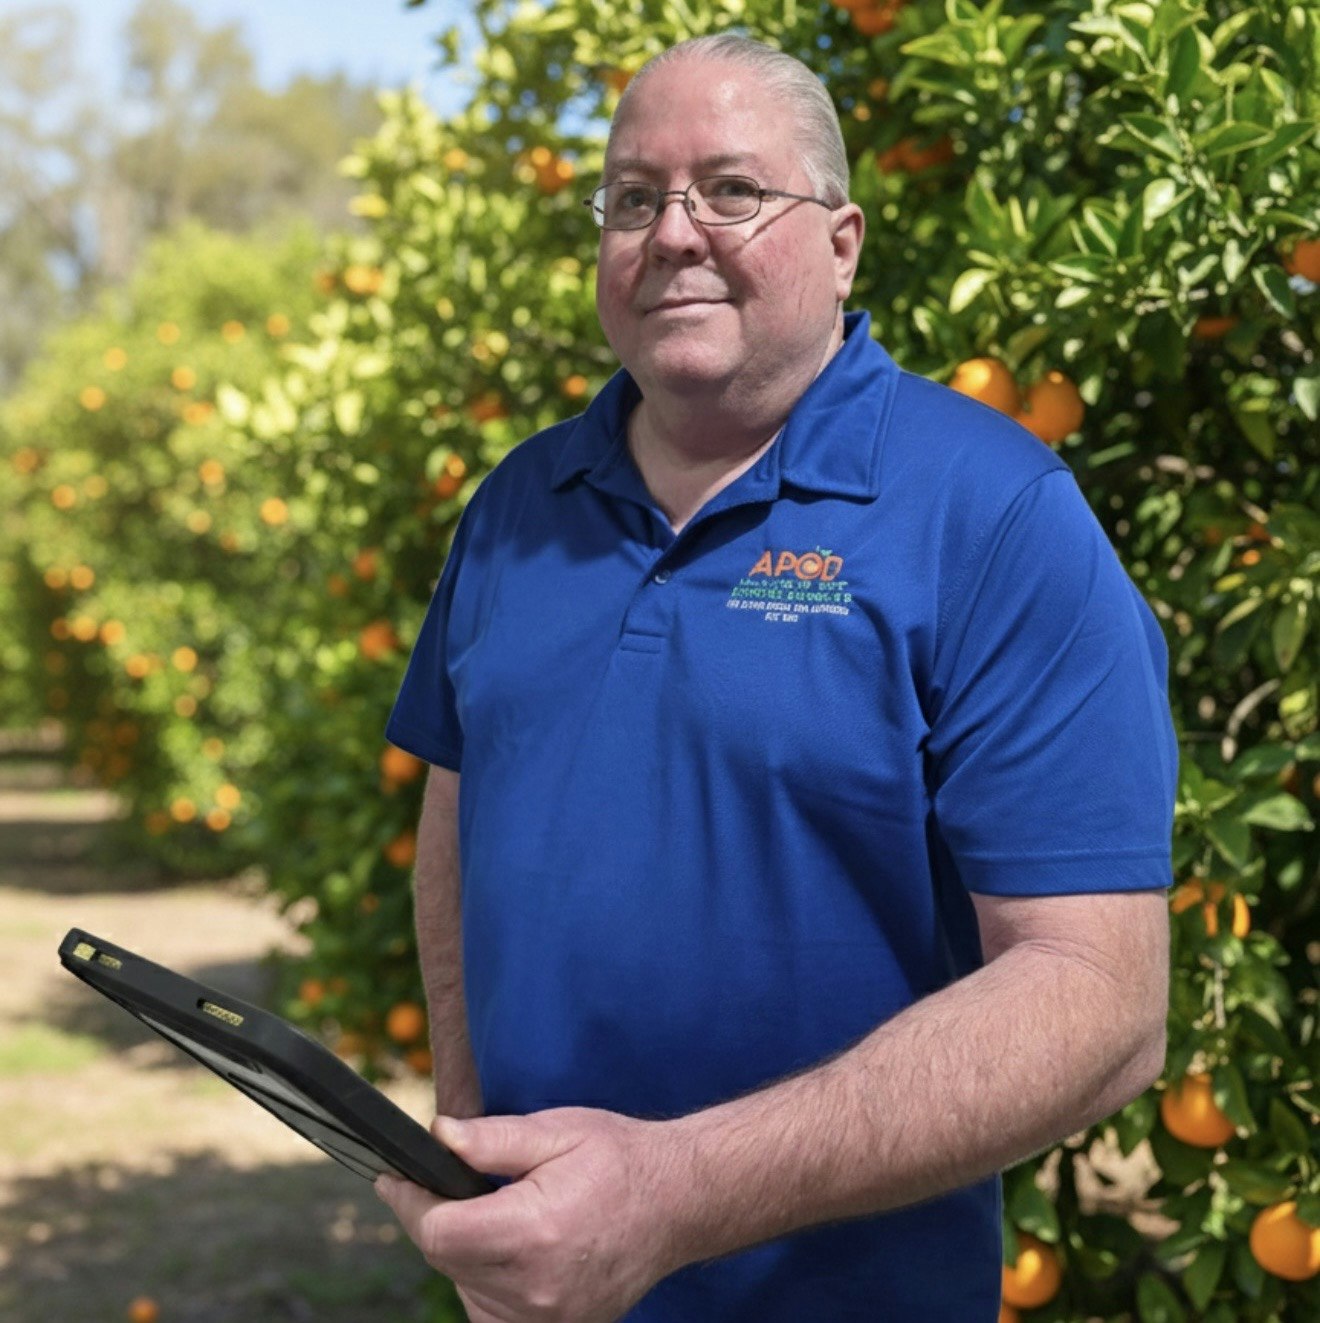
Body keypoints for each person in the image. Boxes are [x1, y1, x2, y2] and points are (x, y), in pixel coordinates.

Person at [376, 32, 1176, 1323]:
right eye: (633, 199)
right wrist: (461, 1136)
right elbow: (456, 826)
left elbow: (1100, 1002)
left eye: (731, 191)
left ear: (844, 241)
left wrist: (670, 1193)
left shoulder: (995, 514)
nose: (675, 232)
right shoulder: (516, 509)